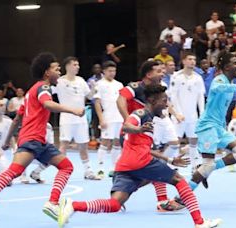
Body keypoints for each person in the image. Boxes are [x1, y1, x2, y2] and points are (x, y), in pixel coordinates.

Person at [58, 84, 222, 228]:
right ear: (152, 100)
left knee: (114, 204)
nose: (166, 104)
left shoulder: (149, 118)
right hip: (140, 162)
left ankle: (73, 205)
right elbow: (127, 126)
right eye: (164, 101)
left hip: (126, 165)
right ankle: (199, 222)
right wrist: (138, 129)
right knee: (179, 181)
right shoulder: (141, 113)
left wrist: (170, 159)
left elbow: (143, 147)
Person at [0, 52, 85, 226]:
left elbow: (17, 119)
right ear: (47, 72)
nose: (60, 72)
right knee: (14, 171)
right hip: (32, 139)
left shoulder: (30, 92)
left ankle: (52, 203)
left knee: (66, 166)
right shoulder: (43, 88)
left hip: (38, 140)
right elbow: (48, 104)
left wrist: (6, 141)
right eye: (57, 69)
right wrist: (73, 110)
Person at [179, 52, 236, 193]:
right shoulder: (219, 80)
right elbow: (215, 88)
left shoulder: (230, 83)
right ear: (226, 67)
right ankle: (182, 197)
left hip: (219, 128)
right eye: (235, 63)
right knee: (207, 166)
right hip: (208, 127)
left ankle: (206, 167)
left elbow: (222, 109)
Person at [117, 60, 183, 212]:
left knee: (152, 168)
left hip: (146, 134)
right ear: (148, 74)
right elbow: (120, 99)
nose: (163, 73)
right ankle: (161, 201)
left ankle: (120, 195)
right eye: (159, 71)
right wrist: (129, 121)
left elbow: (166, 104)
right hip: (133, 135)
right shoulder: (136, 87)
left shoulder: (156, 92)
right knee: (153, 168)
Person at [53, 56, 100, 180]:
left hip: (81, 118)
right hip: (67, 117)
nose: (77, 67)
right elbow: (47, 93)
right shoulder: (59, 82)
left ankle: (88, 171)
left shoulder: (81, 80)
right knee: (64, 144)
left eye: (78, 64)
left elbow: (89, 96)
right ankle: (61, 171)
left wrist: (94, 88)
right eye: (74, 64)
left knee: (83, 145)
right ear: (67, 66)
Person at [169, 53, 205, 172]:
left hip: (193, 115)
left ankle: (195, 165)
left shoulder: (198, 78)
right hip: (179, 115)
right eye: (190, 59)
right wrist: (178, 113)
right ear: (184, 61)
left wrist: (202, 113)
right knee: (176, 140)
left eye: (194, 59)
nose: (192, 61)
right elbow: (173, 97)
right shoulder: (176, 76)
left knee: (194, 140)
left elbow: (201, 97)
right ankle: (172, 165)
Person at [93, 61, 124, 178]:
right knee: (105, 142)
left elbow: (123, 102)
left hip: (119, 118)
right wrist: (101, 119)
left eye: (114, 71)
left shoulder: (119, 84)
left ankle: (114, 168)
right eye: (110, 71)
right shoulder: (99, 84)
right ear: (104, 71)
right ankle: (100, 169)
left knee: (117, 142)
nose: (112, 73)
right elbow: (97, 102)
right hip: (108, 117)